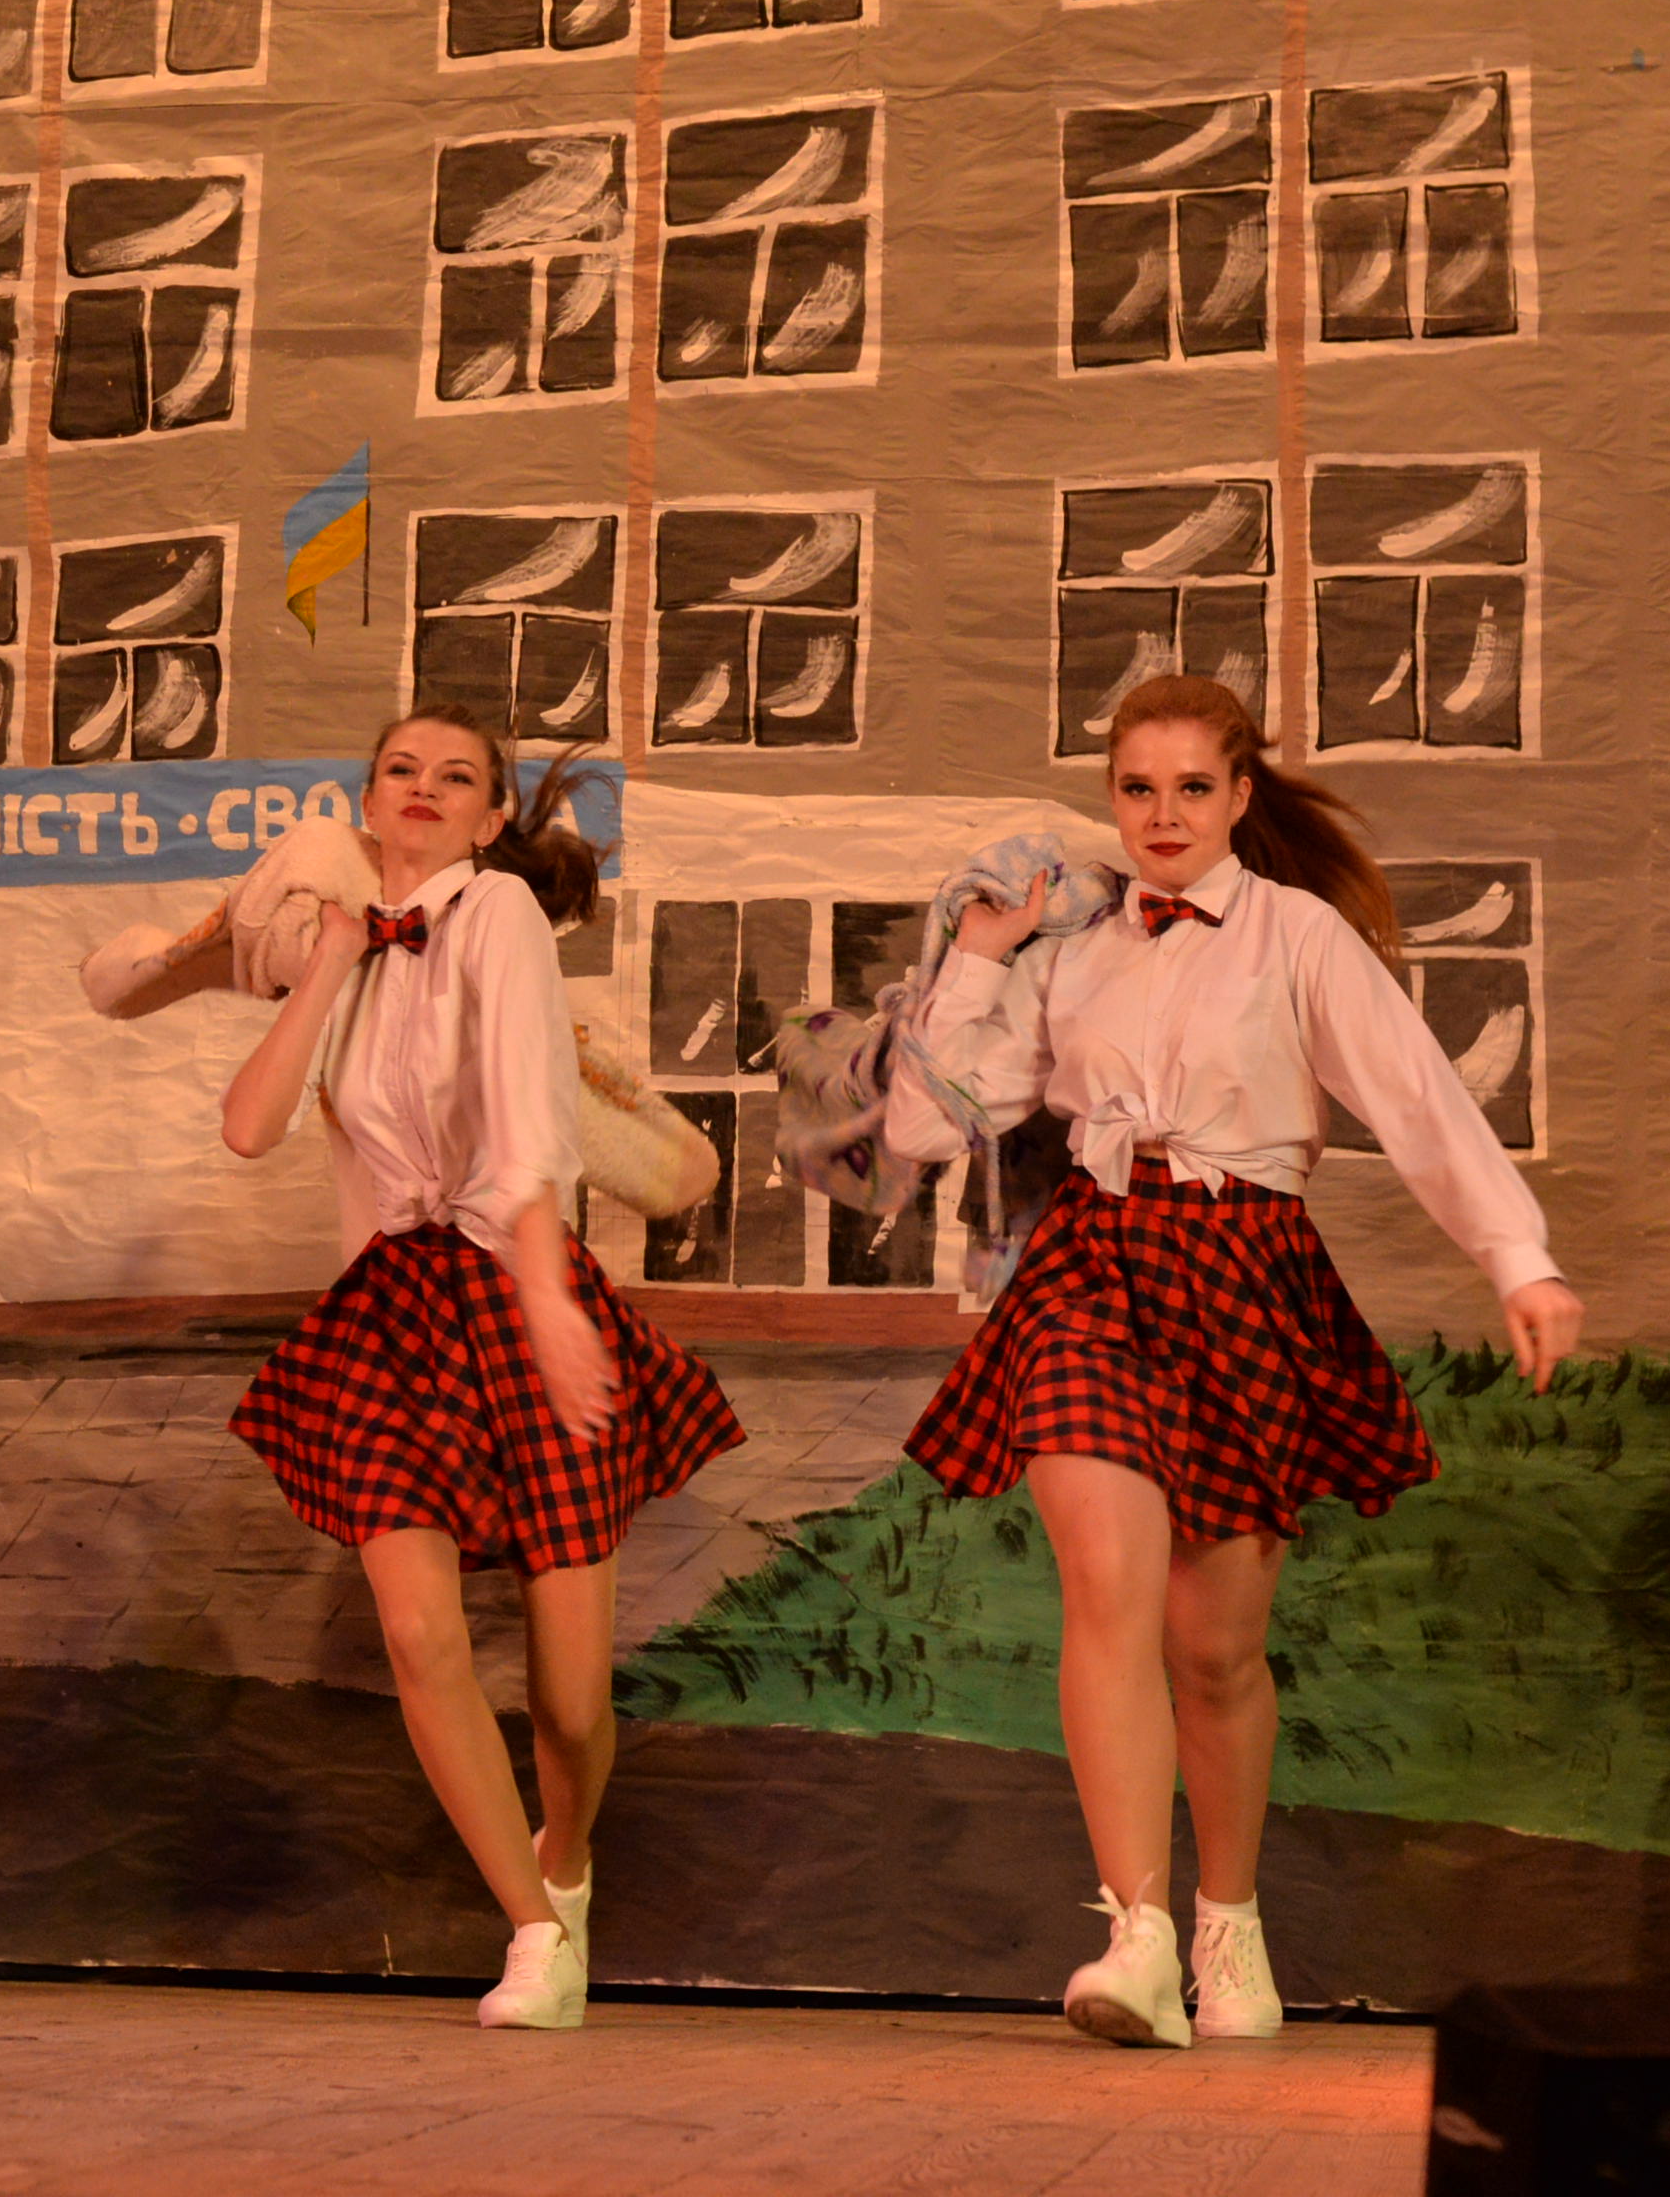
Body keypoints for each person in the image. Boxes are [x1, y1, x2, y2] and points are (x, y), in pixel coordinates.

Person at [887, 671, 1580, 2048]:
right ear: (1110, 796)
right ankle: (1136, 1932)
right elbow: (920, 1125)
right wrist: (979, 953)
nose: (1163, 814)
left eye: (1192, 787)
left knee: (1213, 1649)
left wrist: (1520, 1257)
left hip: (1246, 1269)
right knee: (1106, 1584)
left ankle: (1227, 1920)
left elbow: (1418, 1099)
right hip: (1093, 1265)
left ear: (1240, 794)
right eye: (1137, 788)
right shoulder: (1068, 944)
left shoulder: (1295, 933)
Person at [218, 705, 743, 2033]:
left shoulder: (498, 914)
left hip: (514, 1279)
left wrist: (549, 1294)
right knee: (418, 1632)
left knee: (569, 1703)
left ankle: (564, 1864)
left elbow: (528, 1110)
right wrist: (331, 961)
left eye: (457, 777)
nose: (424, 788)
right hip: (391, 1310)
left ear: (492, 817)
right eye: (400, 768)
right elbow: (249, 1125)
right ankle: (532, 1931)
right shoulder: (345, 944)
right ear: (365, 797)